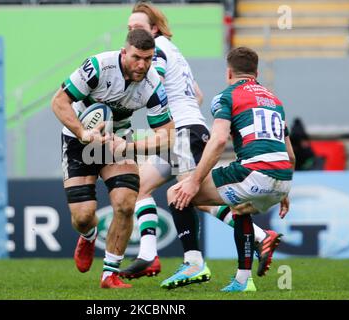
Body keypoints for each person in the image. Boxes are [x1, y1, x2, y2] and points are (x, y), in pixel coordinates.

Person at [119, 1, 282, 290]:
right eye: (129, 28)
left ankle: (225, 250)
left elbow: (144, 78)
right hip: (179, 131)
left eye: (138, 27)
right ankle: (148, 255)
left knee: (188, 196)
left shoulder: (155, 50)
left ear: (154, 29)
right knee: (140, 186)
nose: (132, 32)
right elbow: (197, 94)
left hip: (182, 133)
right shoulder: (175, 52)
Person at [51, 29, 174, 289]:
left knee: (126, 203)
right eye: (137, 57)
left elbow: (167, 136)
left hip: (118, 142)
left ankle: (110, 273)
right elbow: (59, 102)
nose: (142, 65)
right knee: (83, 217)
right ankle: (89, 234)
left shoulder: (153, 84)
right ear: (123, 53)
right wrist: (83, 133)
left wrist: (129, 146)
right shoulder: (97, 66)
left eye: (148, 59)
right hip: (79, 140)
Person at [169, 47, 296, 292]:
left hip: (254, 172)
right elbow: (289, 154)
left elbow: (217, 141)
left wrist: (195, 180)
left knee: (177, 194)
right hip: (283, 179)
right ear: (256, 72)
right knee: (240, 207)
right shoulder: (274, 100)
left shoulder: (227, 96)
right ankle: (242, 281)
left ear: (229, 73)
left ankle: (193, 263)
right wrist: (284, 191)